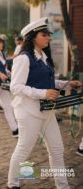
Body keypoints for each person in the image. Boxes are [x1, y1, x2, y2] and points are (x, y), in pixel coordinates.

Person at [7, 17, 81, 189]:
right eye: (44, 34)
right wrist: (43, 93)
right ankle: (13, 184)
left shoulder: (44, 57)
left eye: (48, 34)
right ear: (33, 37)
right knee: (24, 150)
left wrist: (67, 84)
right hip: (28, 111)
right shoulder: (23, 58)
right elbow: (15, 87)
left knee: (57, 149)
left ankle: (63, 186)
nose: (49, 37)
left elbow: (46, 81)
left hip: (46, 110)